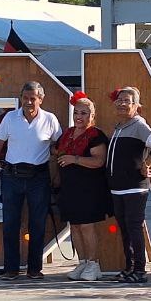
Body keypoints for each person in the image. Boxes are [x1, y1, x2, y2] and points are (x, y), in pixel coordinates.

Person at [0, 81, 61, 279]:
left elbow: (59, 145)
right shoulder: (10, 118)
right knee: (10, 223)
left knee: (37, 224)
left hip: (39, 177)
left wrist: (57, 174)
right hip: (12, 176)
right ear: (20, 98)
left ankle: (34, 269)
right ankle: (11, 268)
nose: (28, 102)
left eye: (33, 98)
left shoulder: (50, 119)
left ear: (41, 99)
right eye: (25, 98)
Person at [106, 86, 151, 283]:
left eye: (127, 101)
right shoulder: (119, 126)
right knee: (124, 228)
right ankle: (129, 267)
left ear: (136, 106)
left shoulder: (139, 125)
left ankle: (140, 270)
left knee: (134, 226)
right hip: (117, 186)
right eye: (120, 100)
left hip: (134, 186)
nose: (122, 104)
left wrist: (146, 164)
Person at [54, 92, 111, 281]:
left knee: (86, 226)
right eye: (76, 112)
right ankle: (83, 262)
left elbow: (99, 161)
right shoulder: (68, 133)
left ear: (92, 116)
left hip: (89, 188)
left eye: (84, 113)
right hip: (69, 188)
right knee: (75, 226)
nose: (79, 117)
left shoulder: (96, 135)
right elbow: (56, 152)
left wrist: (75, 159)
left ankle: (94, 264)